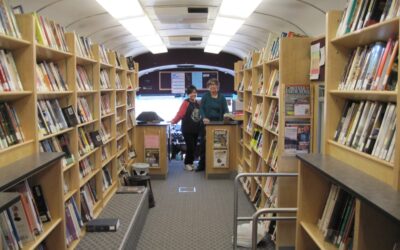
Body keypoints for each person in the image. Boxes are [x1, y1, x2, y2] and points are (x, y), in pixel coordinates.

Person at [196, 78, 229, 172]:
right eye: (211, 86)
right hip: (206, 124)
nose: (213, 87)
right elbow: (201, 109)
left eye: (214, 85)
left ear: (218, 87)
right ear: (208, 87)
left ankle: (214, 165)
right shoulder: (205, 96)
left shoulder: (222, 97)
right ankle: (201, 165)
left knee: (217, 144)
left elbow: (226, 110)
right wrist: (204, 117)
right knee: (203, 145)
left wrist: (226, 116)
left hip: (218, 124)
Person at [171, 85, 201, 171]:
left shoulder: (197, 103)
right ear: (188, 94)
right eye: (191, 93)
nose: (193, 94)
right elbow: (180, 114)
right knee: (190, 147)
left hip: (196, 129)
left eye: (194, 92)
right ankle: (187, 163)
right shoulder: (185, 102)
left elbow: (200, 115)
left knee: (194, 147)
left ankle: (191, 163)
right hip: (187, 129)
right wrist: (173, 121)